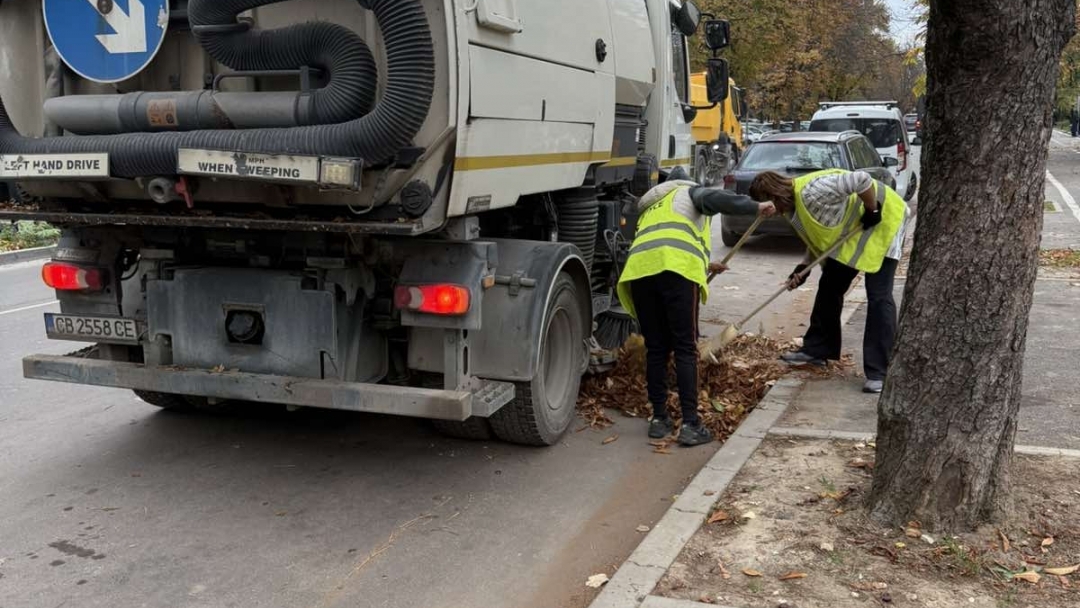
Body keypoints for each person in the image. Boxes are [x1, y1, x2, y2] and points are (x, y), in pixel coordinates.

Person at [617, 168, 776, 446]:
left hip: (640, 274)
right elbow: (716, 198)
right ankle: (691, 423)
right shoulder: (688, 192)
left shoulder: (653, 206)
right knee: (685, 347)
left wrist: (706, 265)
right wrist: (756, 206)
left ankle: (659, 419)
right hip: (676, 273)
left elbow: (662, 242)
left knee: (656, 348)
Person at [748, 169, 909, 393]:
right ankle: (817, 350)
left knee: (878, 297)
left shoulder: (815, 190)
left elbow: (860, 179)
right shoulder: (794, 208)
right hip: (855, 236)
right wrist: (804, 266)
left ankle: (880, 373)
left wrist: (872, 209)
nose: (769, 213)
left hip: (885, 223)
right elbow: (821, 235)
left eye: (766, 205)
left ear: (776, 196)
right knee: (829, 286)